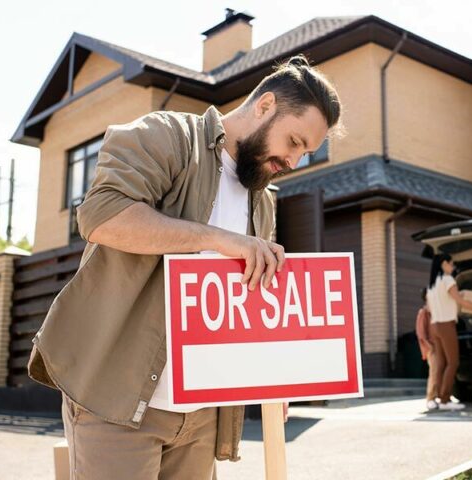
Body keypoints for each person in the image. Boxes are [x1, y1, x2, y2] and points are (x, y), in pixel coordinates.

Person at [27, 55, 342, 479]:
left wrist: (276, 373)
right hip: (116, 399)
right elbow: (101, 216)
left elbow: (245, 303)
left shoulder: (262, 199)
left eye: (305, 151)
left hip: (200, 416)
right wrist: (216, 238)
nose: (295, 160)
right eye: (295, 142)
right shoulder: (167, 136)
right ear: (265, 106)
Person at [426, 253, 472, 411]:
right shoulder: (448, 280)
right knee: (453, 362)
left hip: (434, 325)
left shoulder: (431, 285)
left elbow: (430, 308)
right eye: (451, 264)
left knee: (440, 364)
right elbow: (461, 301)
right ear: (444, 264)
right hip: (446, 325)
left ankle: (433, 398)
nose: (453, 267)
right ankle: (444, 400)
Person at [415, 288, 441, 411]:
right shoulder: (423, 313)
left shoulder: (436, 311)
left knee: (441, 372)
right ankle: (430, 398)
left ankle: (441, 397)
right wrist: (429, 347)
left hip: (440, 346)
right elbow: (421, 333)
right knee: (434, 373)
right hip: (432, 348)